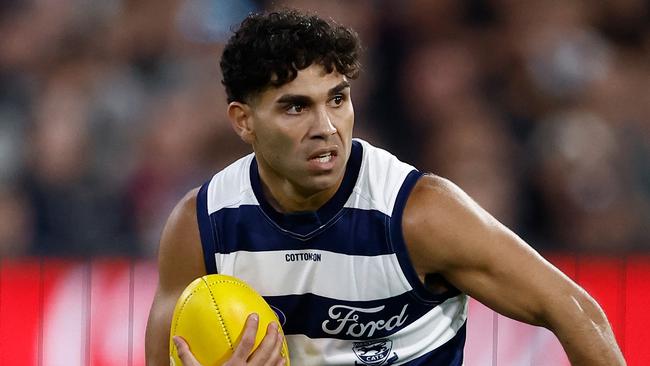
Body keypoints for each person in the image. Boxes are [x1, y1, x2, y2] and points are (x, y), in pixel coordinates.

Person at [145, 9, 626, 366]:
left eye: (337, 99)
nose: (326, 127)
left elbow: (577, 312)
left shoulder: (419, 214)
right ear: (243, 121)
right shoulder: (200, 226)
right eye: (296, 107)